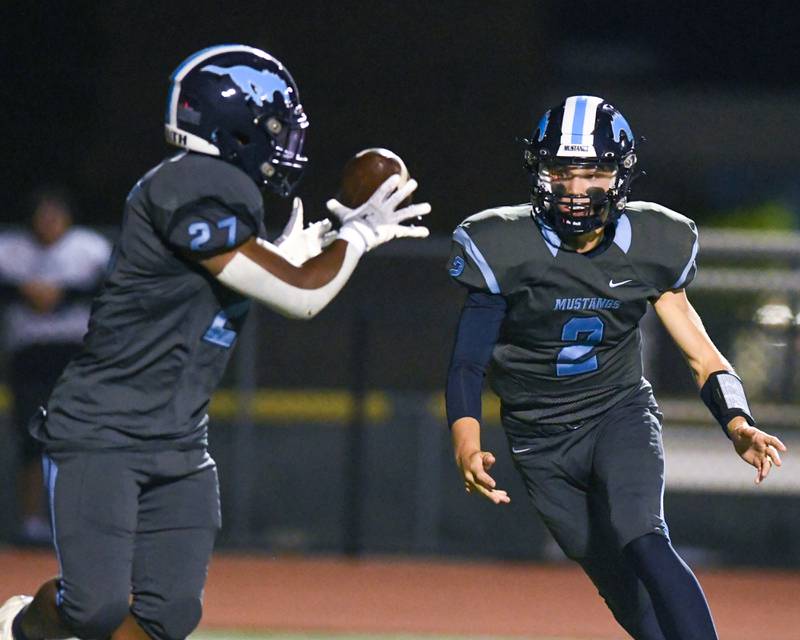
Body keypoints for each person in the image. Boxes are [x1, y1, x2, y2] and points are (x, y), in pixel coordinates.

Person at [0, 44, 429, 640]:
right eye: (276, 126)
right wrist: (353, 239)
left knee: (167, 617)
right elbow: (302, 297)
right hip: (105, 429)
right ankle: (19, 624)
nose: (286, 142)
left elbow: (235, 282)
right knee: (92, 607)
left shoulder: (225, 191)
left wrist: (295, 252)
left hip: (178, 436)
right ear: (233, 125)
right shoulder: (195, 182)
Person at [445, 95, 786, 640]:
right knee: (620, 588)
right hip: (538, 438)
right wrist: (466, 440)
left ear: (620, 175)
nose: (577, 188)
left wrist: (737, 423)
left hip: (616, 412)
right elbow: (467, 361)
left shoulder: (651, 242)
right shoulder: (503, 244)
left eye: (595, 171)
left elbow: (701, 353)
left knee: (643, 536)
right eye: (562, 171)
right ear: (540, 173)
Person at [0, 188, 111, 545]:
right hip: (29, 354)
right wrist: (26, 292)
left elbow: (107, 289)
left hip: (74, 352)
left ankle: (78, 520)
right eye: (41, 215)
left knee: (77, 437)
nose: (47, 223)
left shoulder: (89, 247)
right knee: (30, 436)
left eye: (54, 214)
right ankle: (32, 522)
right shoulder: (10, 248)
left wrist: (60, 294)